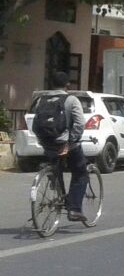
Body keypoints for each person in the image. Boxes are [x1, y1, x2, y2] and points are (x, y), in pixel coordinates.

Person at [35, 71, 90, 221]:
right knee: (80, 173)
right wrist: (71, 141)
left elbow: (37, 123)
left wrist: (42, 141)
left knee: (56, 168)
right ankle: (75, 209)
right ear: (67, 85)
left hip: (48, 144)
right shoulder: (71, 100)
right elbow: (79, 124)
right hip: (65, 144)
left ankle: (55, 185)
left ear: (51, 83)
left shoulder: (41, 100)